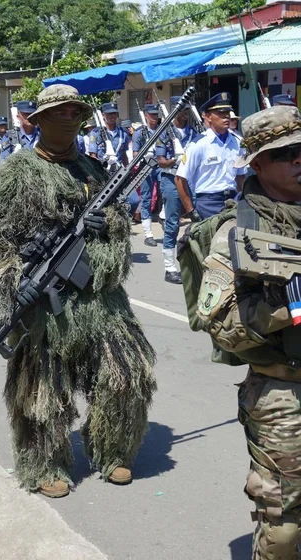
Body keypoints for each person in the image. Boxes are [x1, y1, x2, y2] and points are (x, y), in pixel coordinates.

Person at [0, 84, 156, 499]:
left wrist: (106, 234)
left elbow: (121, 236)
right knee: (41, 392)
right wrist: (14, 280)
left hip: (99, 300)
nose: (68, 119)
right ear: (39, 121)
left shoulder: (94, 172)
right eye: (59, 113)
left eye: (75, 113)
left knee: (127, 376)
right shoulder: (16, 173)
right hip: (43, 301)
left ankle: (113, 450)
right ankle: (43, 463)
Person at [196, 105, 301, 560]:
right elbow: (224, 328)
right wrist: (293, 307)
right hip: (284, 391)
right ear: (256, 164)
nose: (299, 160)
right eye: (287, 153)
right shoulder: (236, 232)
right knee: (284, 527)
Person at [175, 93, 246, 221]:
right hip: (208, 203)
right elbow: (180, 179)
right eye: (220, 113)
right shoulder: (199, 144)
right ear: (208, 116)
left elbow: (240, 175)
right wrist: (190, 210)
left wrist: (241, 198)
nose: (226, 116)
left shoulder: (237, 142)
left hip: (233, 200)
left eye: (227, 112)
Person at [156, 96, 198, 284]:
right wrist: (175, 159)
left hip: (190, 181)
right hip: (171, 180)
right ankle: (169, 267)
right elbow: (160, 161)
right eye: (182, 110)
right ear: (174, 111)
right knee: (172, 223)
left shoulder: (194, 132)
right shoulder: (165, 133)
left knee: (198, 218)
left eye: (187, 110)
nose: (185, 114)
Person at [133, 104, 161, 247]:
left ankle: (163, 216)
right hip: (147, 168)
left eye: (156, 114)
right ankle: (148, 234)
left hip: (161, 166)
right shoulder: (139, 132)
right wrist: (144, 158)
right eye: (152, 115)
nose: (154, 117)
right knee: (146, 199)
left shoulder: (162, 130)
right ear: (145, 115)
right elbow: (135, 153)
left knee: (169, 193)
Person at [89, 102, 130, 168]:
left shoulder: (123, 133)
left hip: (118, 170)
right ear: (103, 115)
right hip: (102, 171)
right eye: (109, 114)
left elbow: (124, 154)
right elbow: (93, 156)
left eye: (114, 113)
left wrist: (127, 169)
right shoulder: (95, 133)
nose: (112, 116)